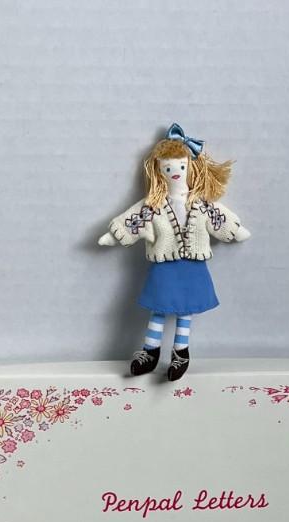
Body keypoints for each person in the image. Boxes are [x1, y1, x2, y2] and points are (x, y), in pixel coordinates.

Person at [98, 123, 250, 381]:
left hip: (193, 264)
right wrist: (115, 235)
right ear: (159, 170)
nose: (175, 172)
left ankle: (181, 352)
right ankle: (151, 351)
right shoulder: (153, 205)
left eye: (180, 166)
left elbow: (219, 217)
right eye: (168, 168)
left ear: (191, 167)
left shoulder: (201, 204)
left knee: (185, 310)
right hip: (164, 263)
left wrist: (235, 231)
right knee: (159, 306)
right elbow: (135, 219)